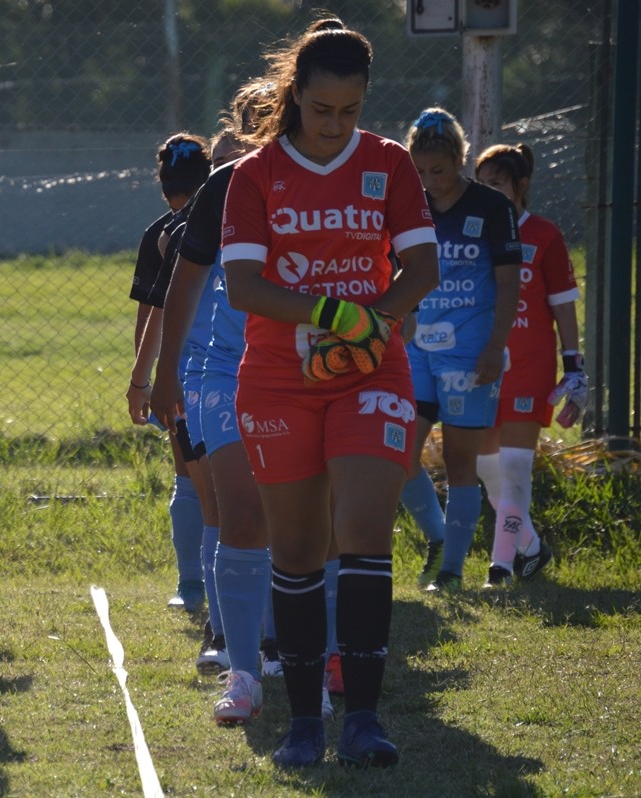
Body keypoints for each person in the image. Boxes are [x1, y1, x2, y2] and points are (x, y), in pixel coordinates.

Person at [219, 21, 439, 767]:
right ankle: (305, 723)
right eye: (321, 110)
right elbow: (245, 284)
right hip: (280, 378)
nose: (335, 124)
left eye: (349, 110)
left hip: (372, 369)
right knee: (300, 548)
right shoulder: (255, 176)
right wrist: (329, 312)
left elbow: (421, 267)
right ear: (296, 98)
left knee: (367, 528)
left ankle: (365, 721)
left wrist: (374, 321)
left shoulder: (391, 164)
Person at [399, 109, 522, 592]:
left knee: (458, 463)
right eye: (421, 171)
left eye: (439, 170)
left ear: (459, 158)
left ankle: (451, 571)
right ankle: (436, 540)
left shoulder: (492, 208)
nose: (430, 181)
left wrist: (496, 345)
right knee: (399, 453)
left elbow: (510, 283)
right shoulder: (412, 205)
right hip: (416, 350)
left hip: (469, 355)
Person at [473, 143, 579, 585]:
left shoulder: (544, 235)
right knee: (484, 466)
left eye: (496, 184)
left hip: (529, 365)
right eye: (481, 185)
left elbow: (564, 304)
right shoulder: (472, 231)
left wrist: (574, 367)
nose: (488, 193)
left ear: (521, 186)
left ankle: (500, 566)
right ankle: (531, 547)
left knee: (515, 467)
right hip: (482, 364)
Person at [126, 133, 213, 617]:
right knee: (192, 477)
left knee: (200, 479)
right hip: (185, 373)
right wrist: (151, 375)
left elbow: (146, 318)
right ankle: (193, 581)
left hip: (215, 367)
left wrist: (143, 375)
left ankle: (200, 582)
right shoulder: (167, 235)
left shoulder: (186, 230)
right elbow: (154, 309)